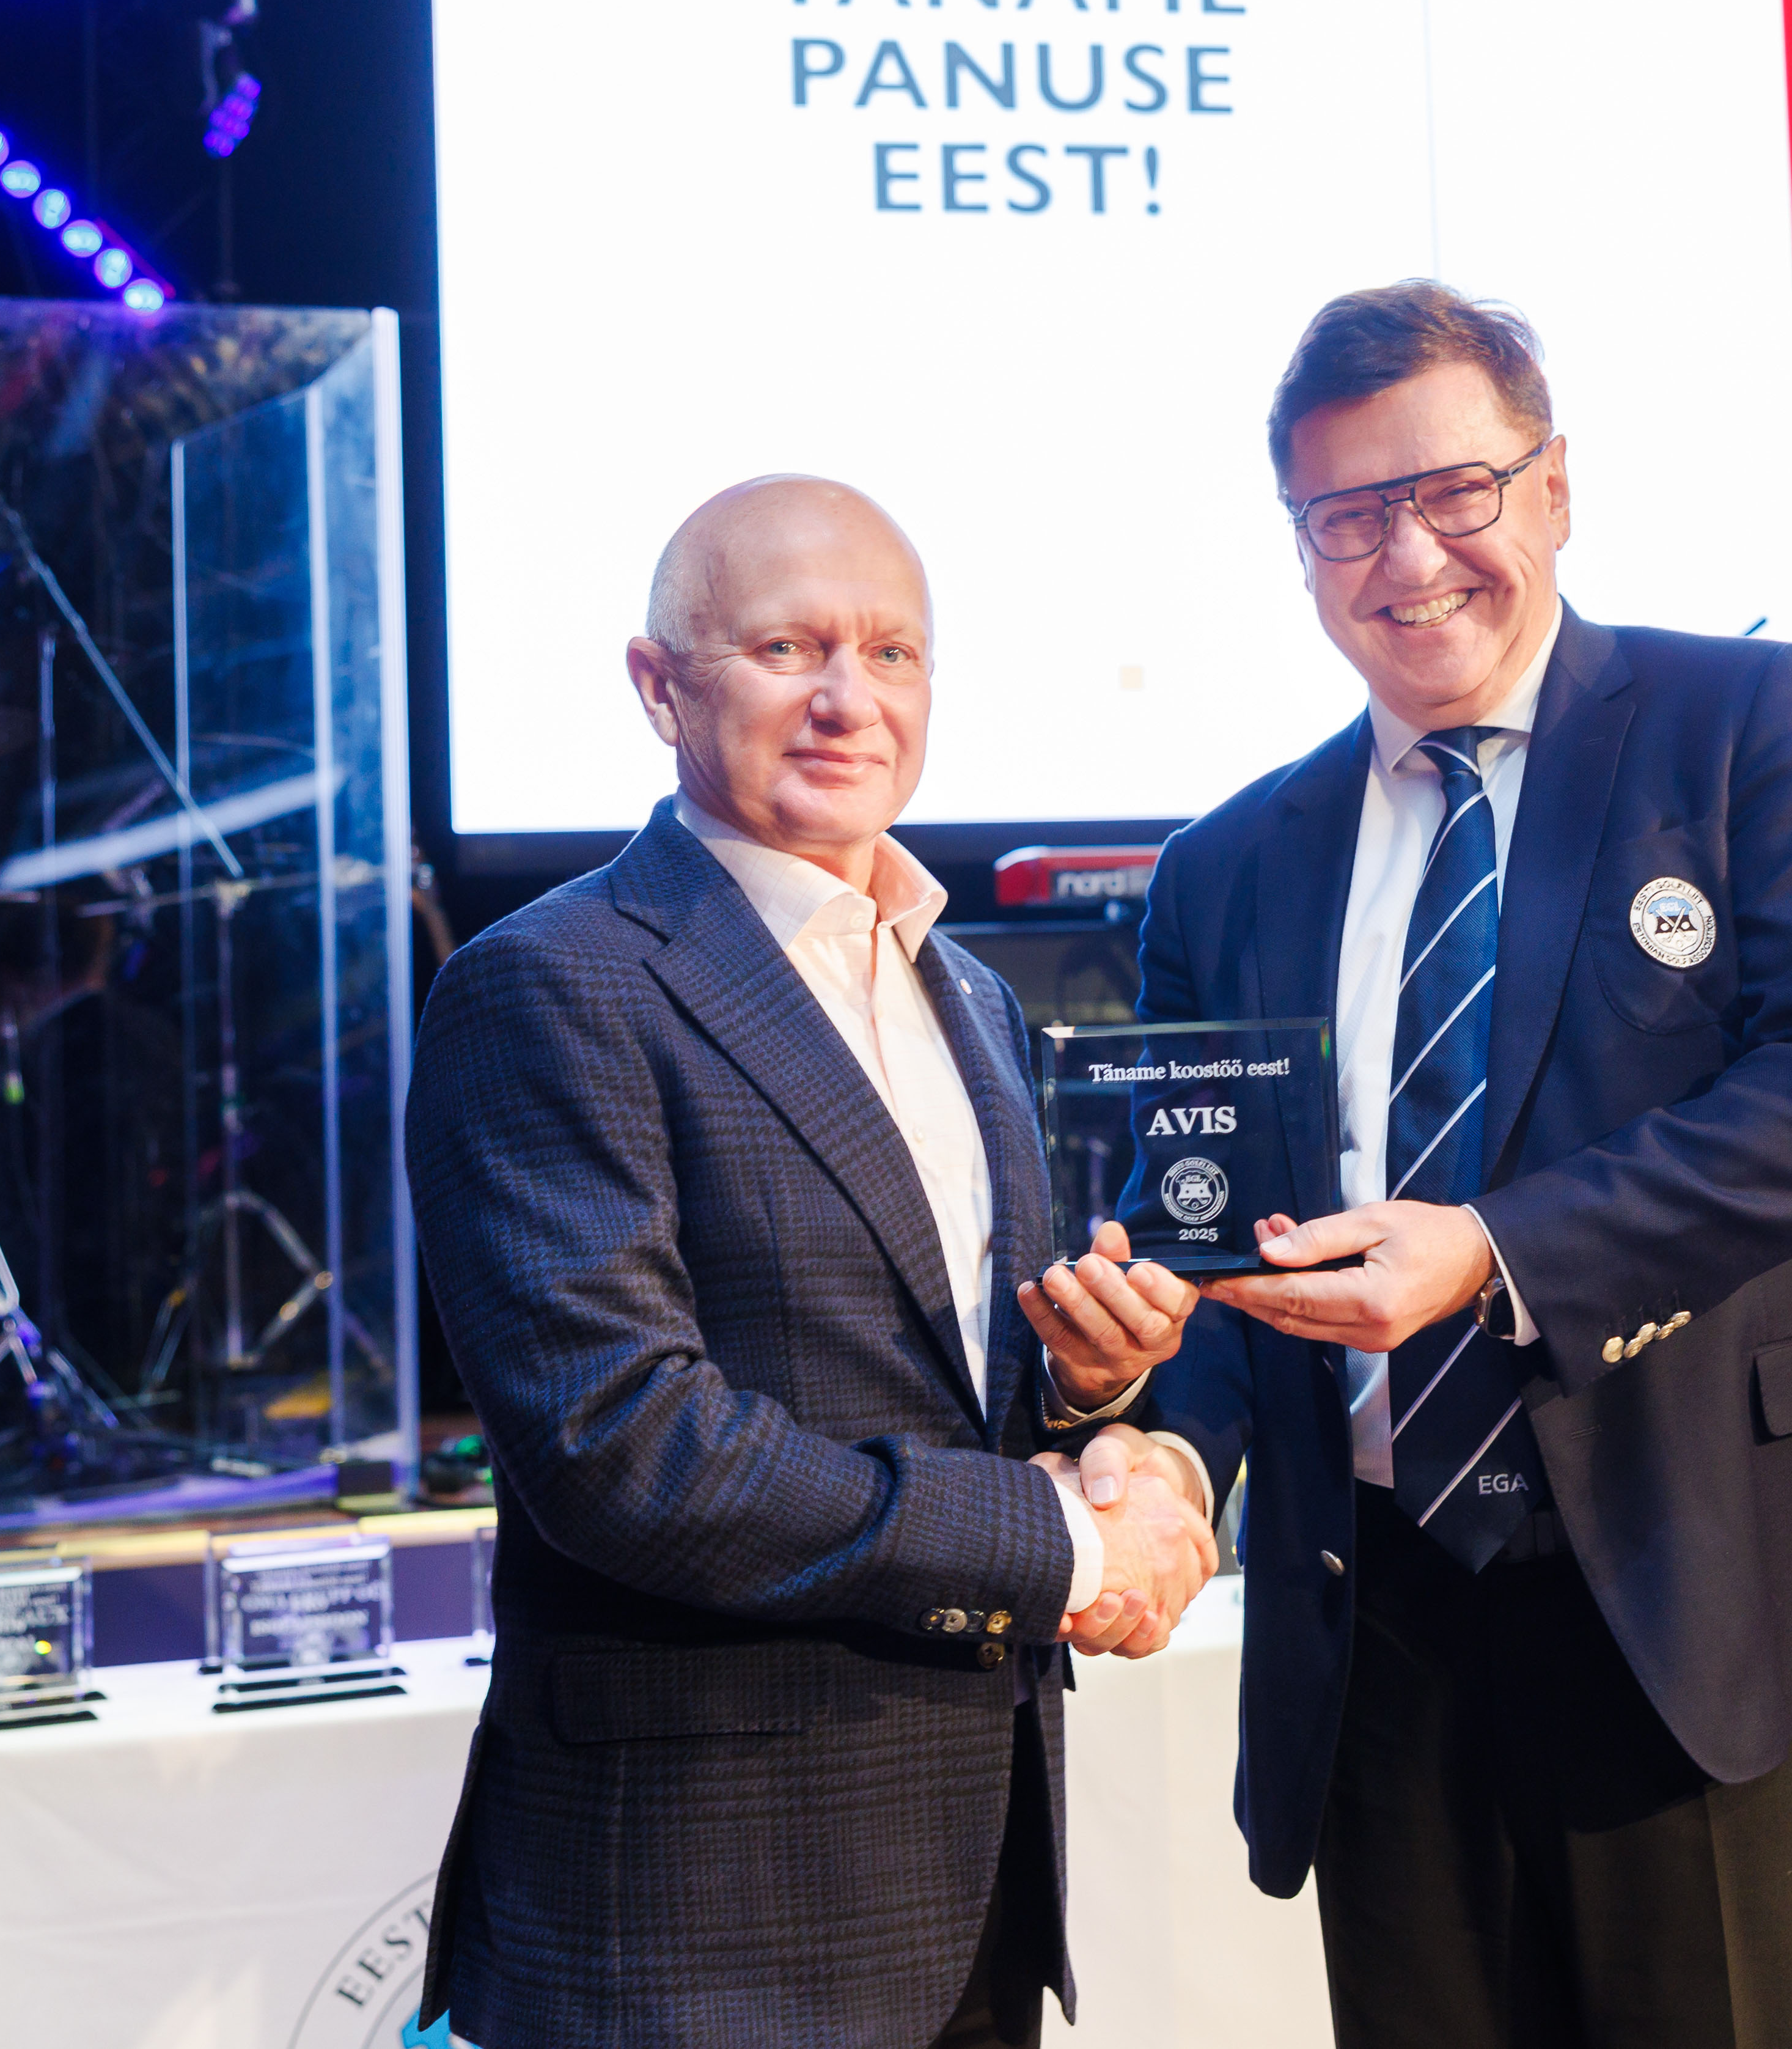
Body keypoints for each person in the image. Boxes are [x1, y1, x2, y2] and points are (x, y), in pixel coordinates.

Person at [1124, 282, 1792, 2047]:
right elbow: (1219, 1252)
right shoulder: (1225, 868)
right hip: (1383, 1630)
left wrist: (1493, 1248)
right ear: (1298, 546)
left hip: (1709, 1588)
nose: (1409, 556)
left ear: (1552, 488)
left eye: (1454, 491)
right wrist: (1158, 1440)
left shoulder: (1741, 720)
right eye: (1346, 515)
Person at [404, 476, 1215, 2049]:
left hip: (971, 1880)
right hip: (696, 1918)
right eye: (788, 647)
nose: (852, 698)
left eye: (893, 653)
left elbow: (951, 1391)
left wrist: (1081, 1390)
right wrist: (1063, 1540)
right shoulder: (549, 983)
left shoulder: (969, 994)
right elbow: (622, 1446)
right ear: (658, 686)